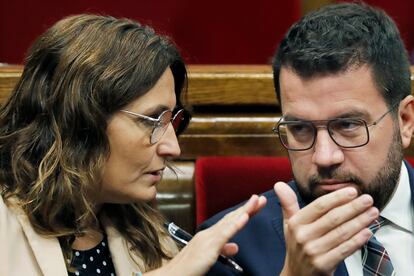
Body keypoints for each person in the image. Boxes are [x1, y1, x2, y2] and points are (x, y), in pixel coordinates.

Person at [0, 14, 267, 275]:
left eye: (171, 121)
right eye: (152, 119)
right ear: (81, 120)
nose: (173, 148)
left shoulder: (142, 227)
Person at [202, 3, 414, 276]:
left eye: (348, 125)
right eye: (301, 128)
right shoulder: (228, 250)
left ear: (405, 121)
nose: (324, 157)